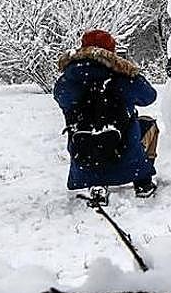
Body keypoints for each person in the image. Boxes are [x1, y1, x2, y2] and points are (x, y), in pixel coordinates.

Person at [54, 29, 158, 205]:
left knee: (88, 133)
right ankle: (143, 182)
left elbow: (61, 98)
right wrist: (129, 71)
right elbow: (149, 96)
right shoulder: (121, 76)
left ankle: (97, 185)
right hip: (125, 158)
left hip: (84, 162)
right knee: (149, 126)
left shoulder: (68, 79)